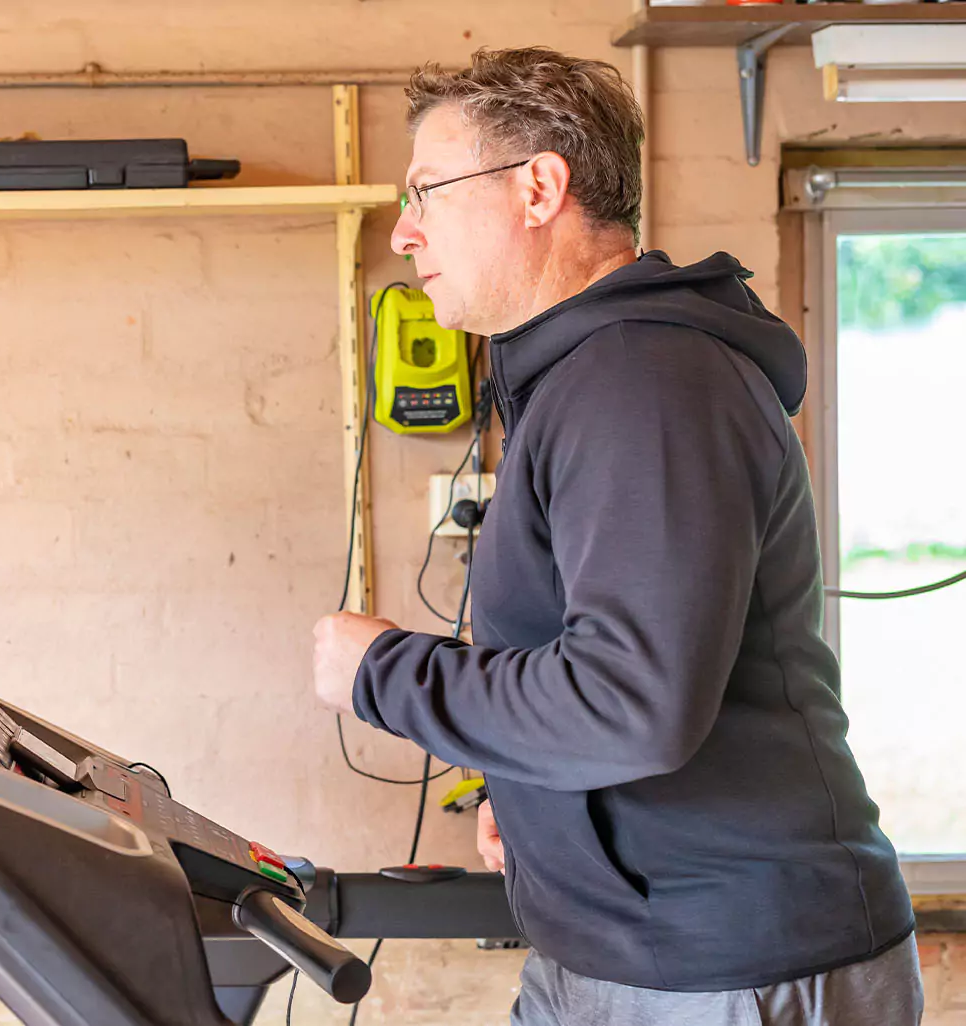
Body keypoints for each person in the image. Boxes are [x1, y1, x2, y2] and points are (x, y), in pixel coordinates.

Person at [310, 47, 924, 1026]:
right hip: (621, 950)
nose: (405, 231)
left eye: (426, 191)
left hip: (725, 969)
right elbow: (605, 658)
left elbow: (630, 703)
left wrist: (383, 672)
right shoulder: (585, 376)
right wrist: (536, 799)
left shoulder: (644, 382)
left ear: (538, 187)